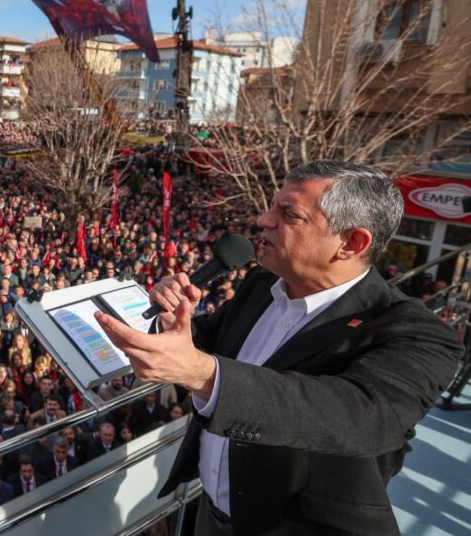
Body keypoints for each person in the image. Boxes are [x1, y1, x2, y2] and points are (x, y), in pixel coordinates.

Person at [96, 161, 464, 534]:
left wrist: (201, 374)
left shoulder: (418, 334)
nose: (263, 220)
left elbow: (359, 415)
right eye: (272, 207)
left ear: (352, 243)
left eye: (288, 214)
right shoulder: (261, 284)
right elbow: (203, 341)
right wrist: (171, 322)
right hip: (210, 513)